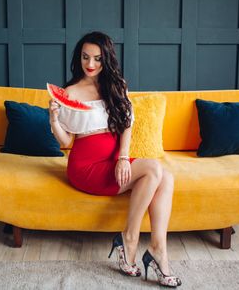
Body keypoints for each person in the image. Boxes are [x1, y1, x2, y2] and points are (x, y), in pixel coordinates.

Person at [48, 31, 182, 287]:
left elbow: (127, 126)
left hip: (114, 160)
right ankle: (129, 238)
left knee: (166, 177)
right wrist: (53, 119)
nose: (90, 64)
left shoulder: (116, 86)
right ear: (79, 57)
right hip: (85, 167)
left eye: (97, 58)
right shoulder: (70, 91)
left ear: (106, 59)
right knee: (154, 168)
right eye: (85, 57)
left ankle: (157, 250)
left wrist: (123, 158)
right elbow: (66, 142)